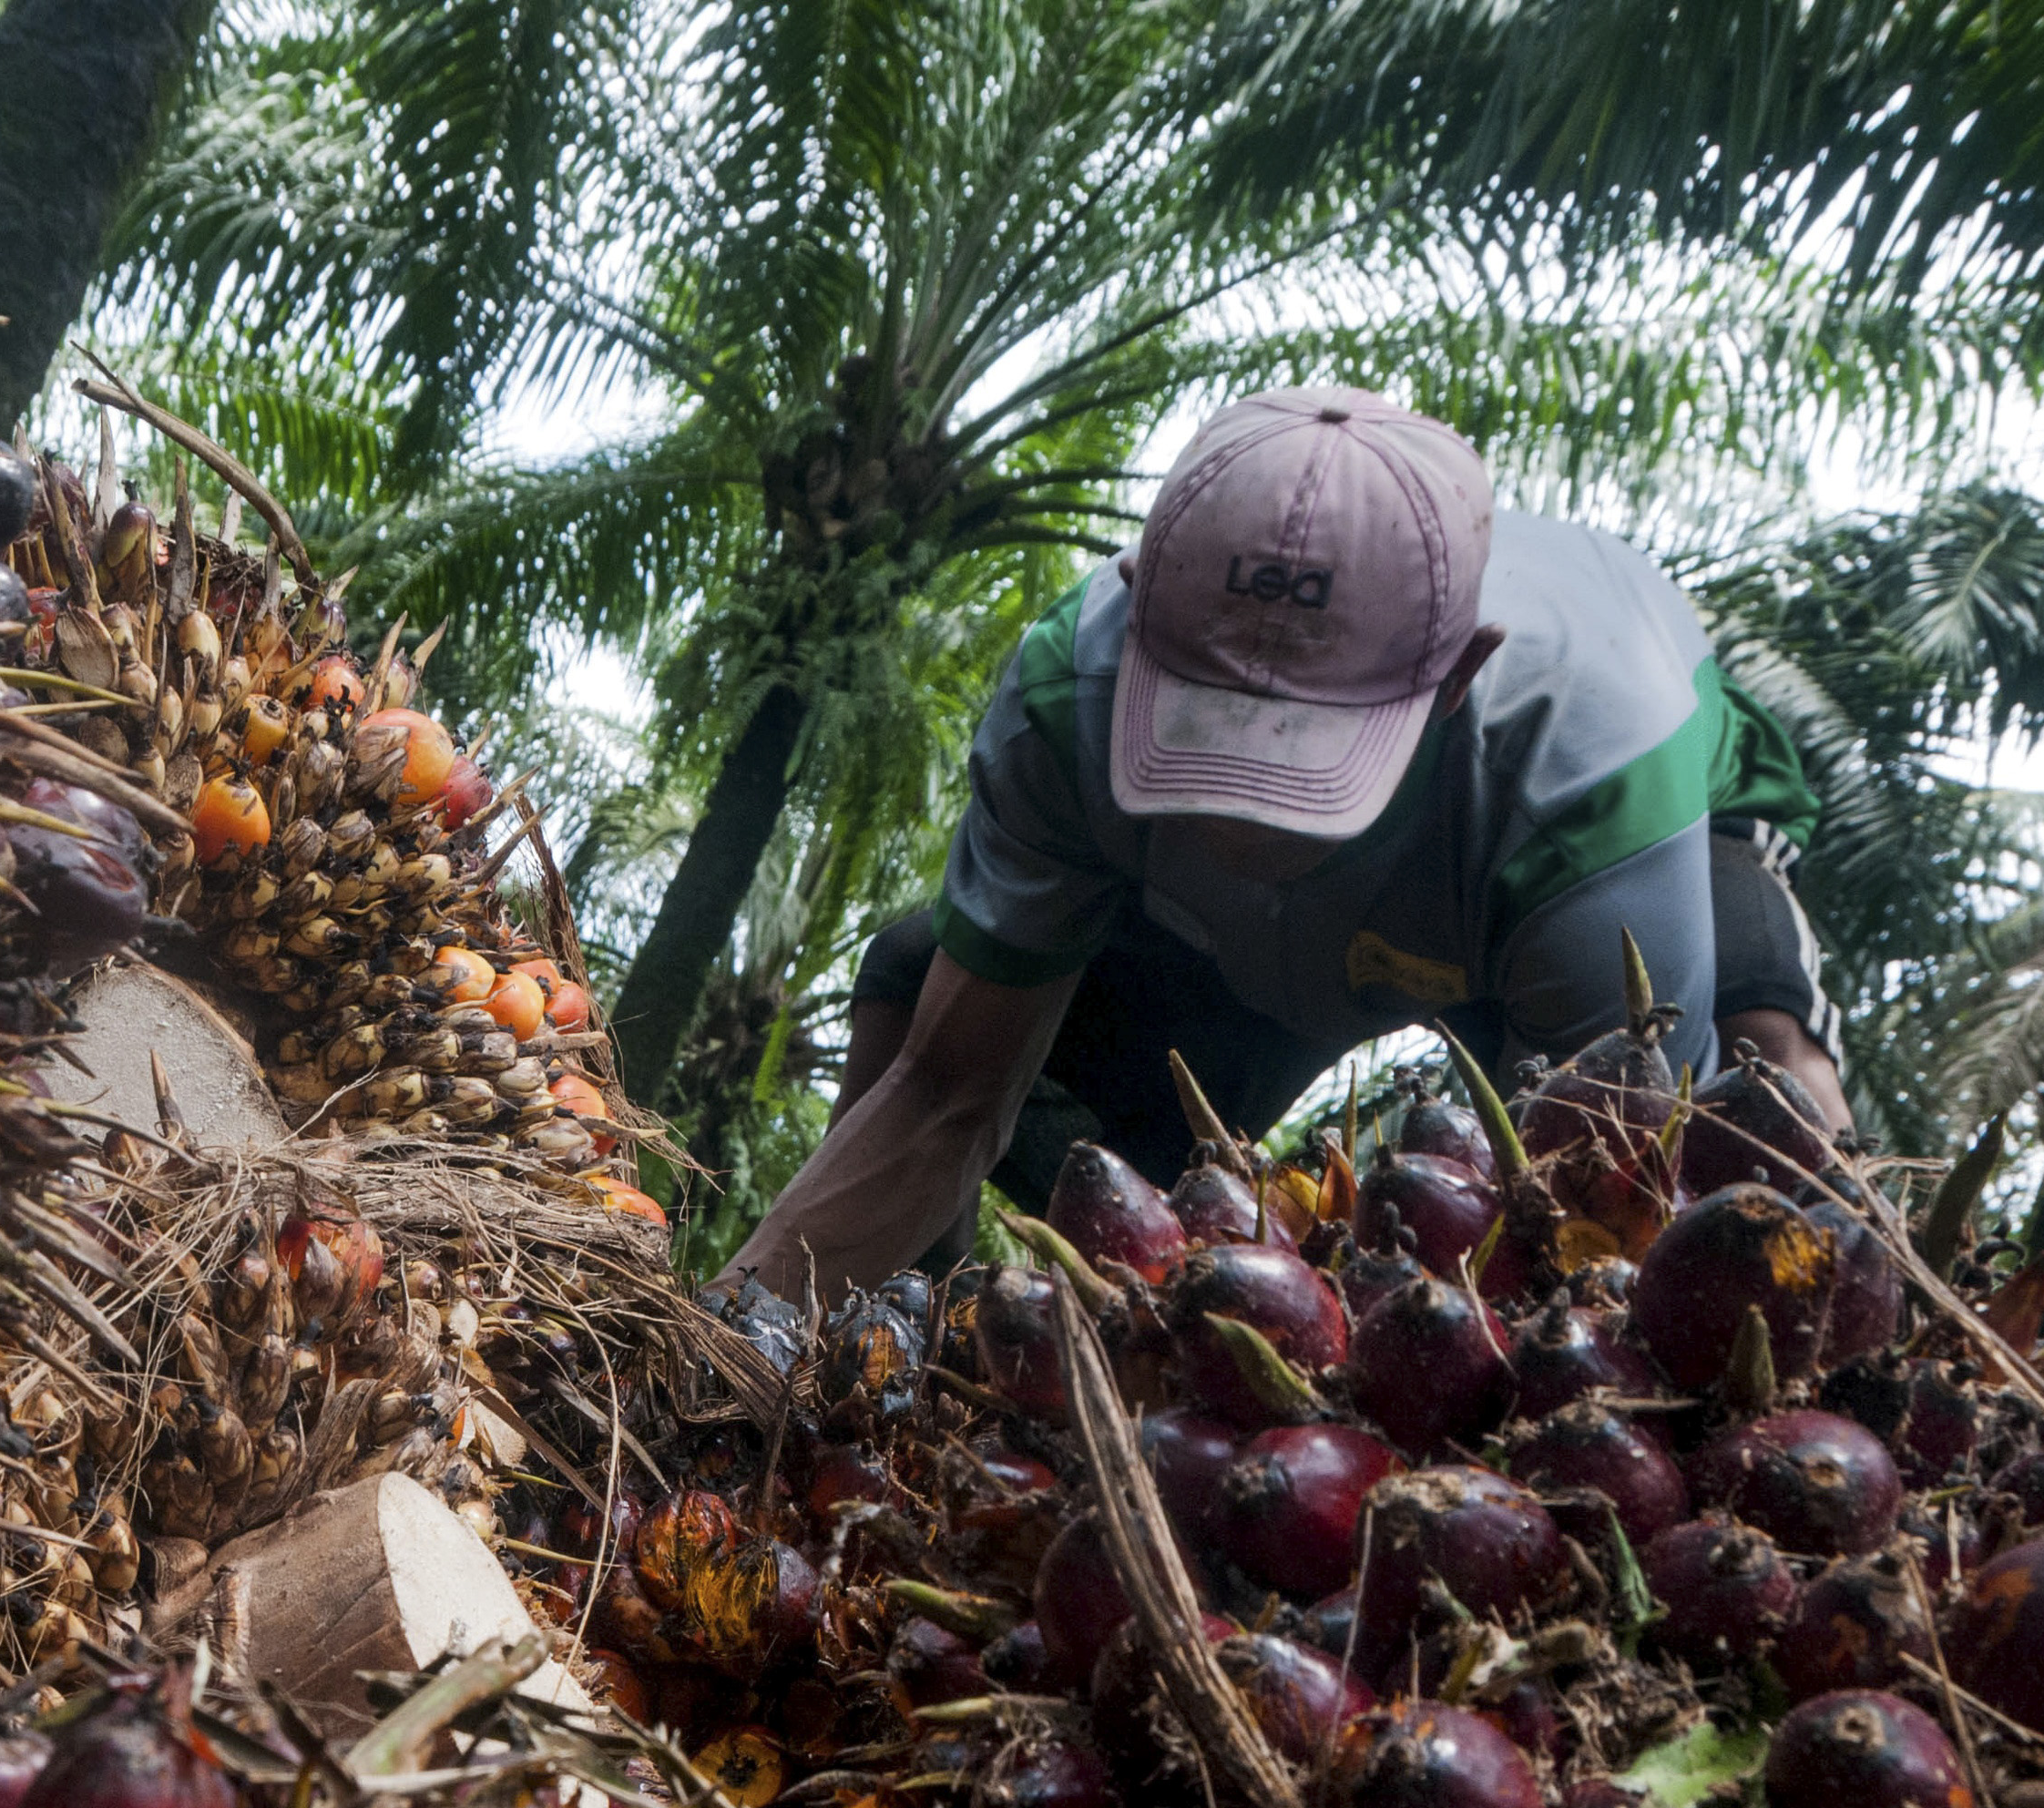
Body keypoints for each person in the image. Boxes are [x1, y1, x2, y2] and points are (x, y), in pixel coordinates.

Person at [726, 385, 1852, 1300]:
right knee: (926, 984)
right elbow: (939, 1098)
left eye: (1300, 750)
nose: (1241, 813)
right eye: (1208, 729)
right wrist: (712, 1343)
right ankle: (892, 1367)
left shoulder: (1586, 765)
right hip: (1252, 955)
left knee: (1757, 1104)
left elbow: (1595, 1220)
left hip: (1558, 871)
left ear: (1456, 677)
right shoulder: (1068, 693)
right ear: (1138, 609)